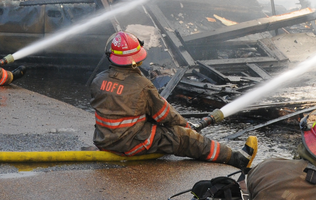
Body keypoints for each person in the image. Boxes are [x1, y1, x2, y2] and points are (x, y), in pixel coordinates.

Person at [91, 31, 258, 167]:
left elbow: (119, 107)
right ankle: (236, 158)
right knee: (184, 138)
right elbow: (165, 115)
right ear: (137, 60)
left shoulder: (98, 80)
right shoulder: (141, 85)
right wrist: (186, 128)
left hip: (104, 140)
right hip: (129, 144)